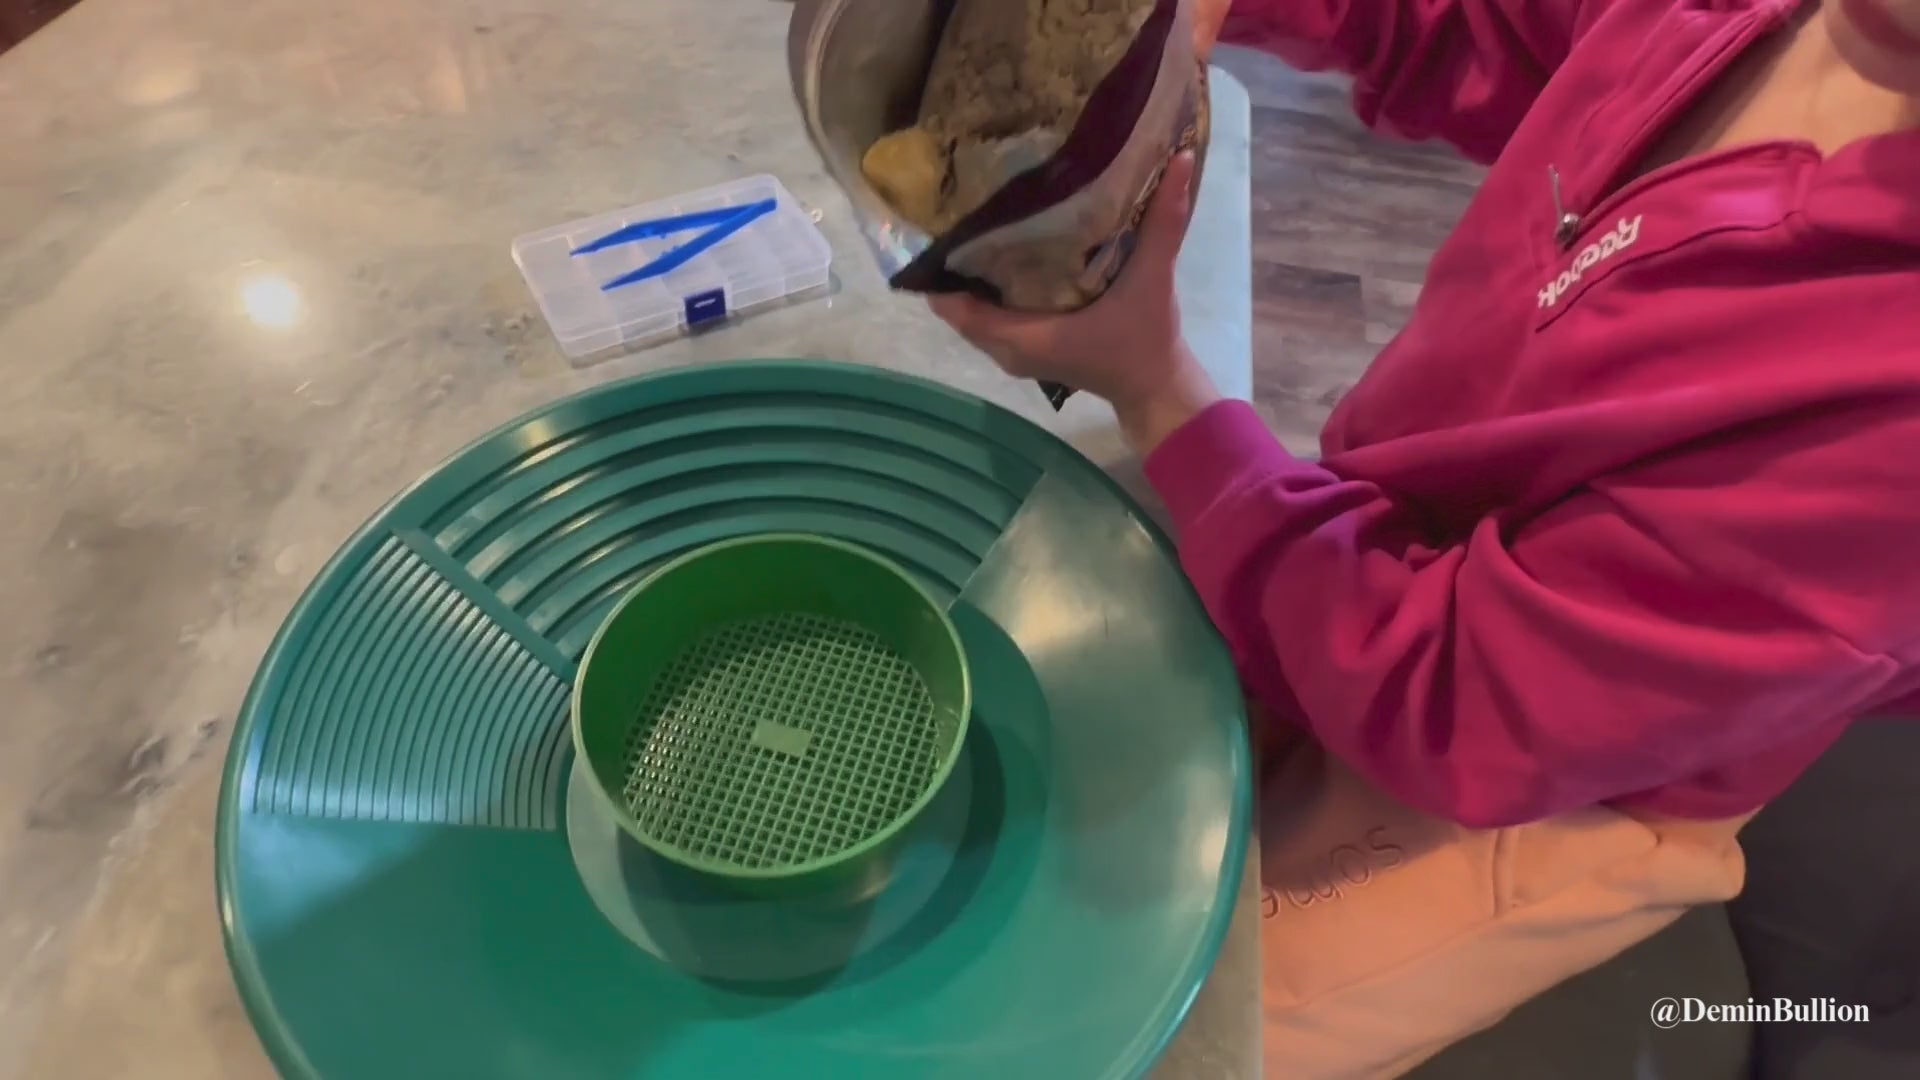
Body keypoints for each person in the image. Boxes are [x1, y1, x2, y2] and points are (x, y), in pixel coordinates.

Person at [930, 0, 1920, 1075]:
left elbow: (1455, 699)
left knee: (1131, 1028)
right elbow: (1487, 26)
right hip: (1372, 544)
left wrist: (1160, 392)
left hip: (1544, 789)